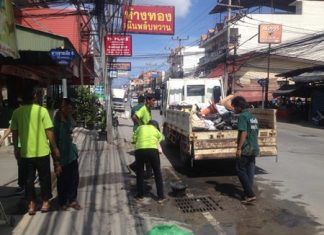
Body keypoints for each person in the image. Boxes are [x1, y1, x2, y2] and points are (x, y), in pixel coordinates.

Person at [11, 85, 61, 215]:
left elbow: (15, 133)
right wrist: (55, 148)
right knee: (44, 178)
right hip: (42, 152)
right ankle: (45, 203)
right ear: (34, 97)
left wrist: (16, 149)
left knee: (29, 180)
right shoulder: (42, 111)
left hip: (26, 153)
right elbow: (49, 132)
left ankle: (31, 205)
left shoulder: (16, 113)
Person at [54, 98, 81, 210]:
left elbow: (73, 126)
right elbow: (53, 141)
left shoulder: (68, 118)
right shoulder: (56, 122)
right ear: (62, 107)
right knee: (62, 180)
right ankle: (62, 201)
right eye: (68, 107)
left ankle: (72, 200)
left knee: (74, 179)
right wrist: (56, 162)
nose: (70, 109)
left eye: (71, 107)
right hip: (61, 155)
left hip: (71, 154)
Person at [232, 96, 260, 204]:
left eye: (234, 107)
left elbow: (243, 132)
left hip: (247, 148)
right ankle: (248, 192)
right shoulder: (253, 116)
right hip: (254, 146)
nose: (234, 109)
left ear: (239, 107)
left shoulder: (243, 116)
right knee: (250, 170)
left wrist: (239, 148)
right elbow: (255, 132)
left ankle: (250, 194)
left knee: (240, 169)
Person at [132, 120, 165, 203]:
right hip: (152, 151)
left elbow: (133, 139)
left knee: (140, 173)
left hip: (139, 151)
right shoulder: (155, 129)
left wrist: (138, 141)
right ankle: (161, 197)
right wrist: (156, 141)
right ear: (155, 126)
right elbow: (162, 137)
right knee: (157, 173)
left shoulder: (140, 128)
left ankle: (140, 195)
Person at [129, 94, 156, 177]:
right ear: (147, 100)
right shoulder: (144, 109)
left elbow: (133, 117)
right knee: (145, 154)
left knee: (145, 154)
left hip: (142, 133)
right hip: (141, 134)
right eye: (153, 100)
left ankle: (147, 172)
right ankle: (136, 168)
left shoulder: (146, 109)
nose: (154, 102)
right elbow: (134, 117)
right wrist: (141, 125)